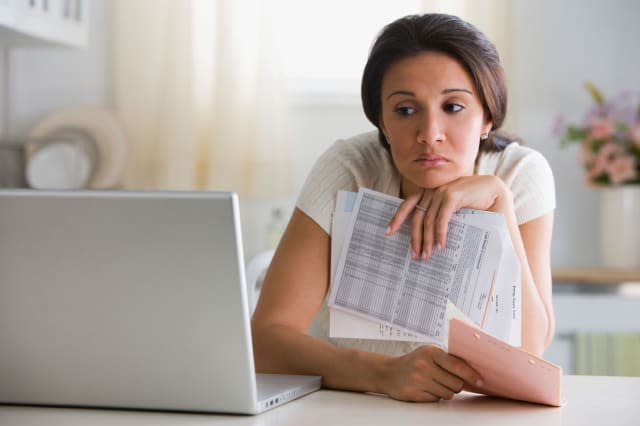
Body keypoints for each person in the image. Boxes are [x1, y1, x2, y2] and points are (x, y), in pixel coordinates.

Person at [251, 13, 555, 403]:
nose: (430, 135)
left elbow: (531, 355)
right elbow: (266, 339)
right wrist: (382, 374)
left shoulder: (519, 173)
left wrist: (501, 204)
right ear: (381, 119)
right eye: (405, 110)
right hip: (348, 405)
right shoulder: (350, 167)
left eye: (454, 107)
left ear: (488, 116)